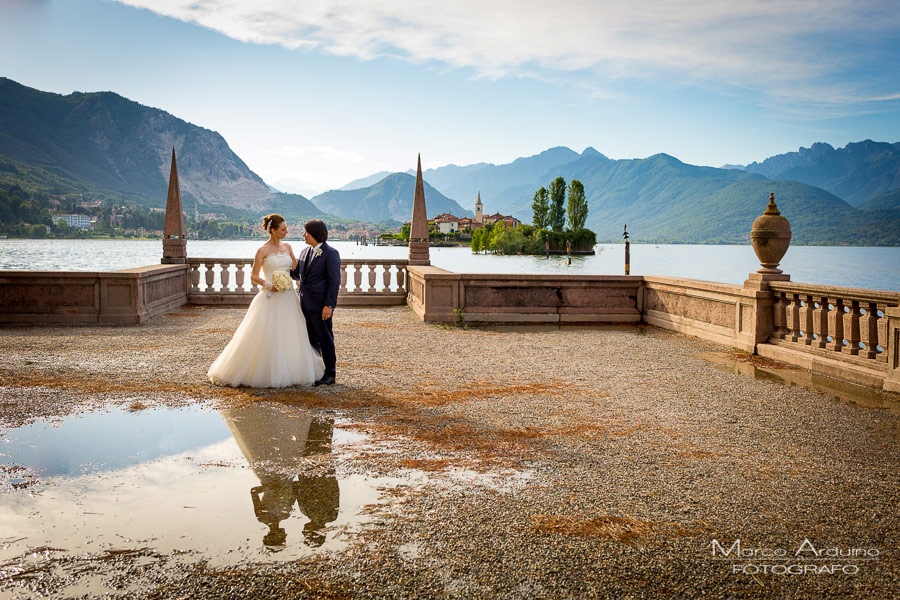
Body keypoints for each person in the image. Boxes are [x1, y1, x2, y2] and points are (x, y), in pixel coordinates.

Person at [207, 214, 324, 387]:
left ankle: (291, 370)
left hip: (288, 297)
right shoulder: (262, 251)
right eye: (283, 229)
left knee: (291, 332)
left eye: (287, 228)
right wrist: (269, 284)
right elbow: (254, 276)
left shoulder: (288, 247)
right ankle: (262, 371)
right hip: (270, 296)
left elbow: (297, 268)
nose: (287, 232)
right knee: (267, 333)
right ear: (273, 230)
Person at [290, 219, 341, 386]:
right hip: (304, 303)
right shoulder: (305, 252)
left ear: (315, 234)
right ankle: (316, 369)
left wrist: (329, 305)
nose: (303, 235)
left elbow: (334, 281)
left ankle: (330, 373)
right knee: (310, 339)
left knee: (325, 338)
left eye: (306, 232)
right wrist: (280, 271)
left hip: (321, 306)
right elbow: (299, 275)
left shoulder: (330, 253)